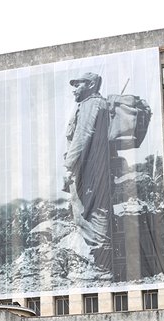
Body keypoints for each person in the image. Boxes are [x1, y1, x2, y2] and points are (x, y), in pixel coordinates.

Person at [62, 71, 116, 270]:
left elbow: (82, 136)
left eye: (79, 84)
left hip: (88, 167)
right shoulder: (96, 104)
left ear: (91, 85)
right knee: (94, 210)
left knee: (88, 212)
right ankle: (102, 262)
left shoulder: (90, 104)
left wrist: (69, 166)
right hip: (94, 165)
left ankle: (101, 265)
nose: (74, 89)